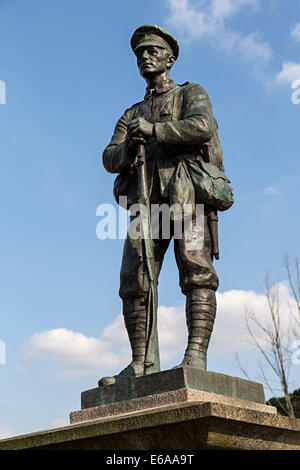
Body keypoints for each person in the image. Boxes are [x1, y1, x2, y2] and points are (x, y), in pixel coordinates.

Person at [99, 25, 233, 386]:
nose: (144, 56)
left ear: (169, 58)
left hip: (184, 193)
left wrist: (156, 131)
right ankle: (141, 362)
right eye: (140, 52)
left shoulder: (191, 93)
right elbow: (109, 157)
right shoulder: (132, 113)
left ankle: (195, 354)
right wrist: (130, 146)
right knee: (134, 281)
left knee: (196, 271)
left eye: (152, 50)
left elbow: (201, 126)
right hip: (145, 202)